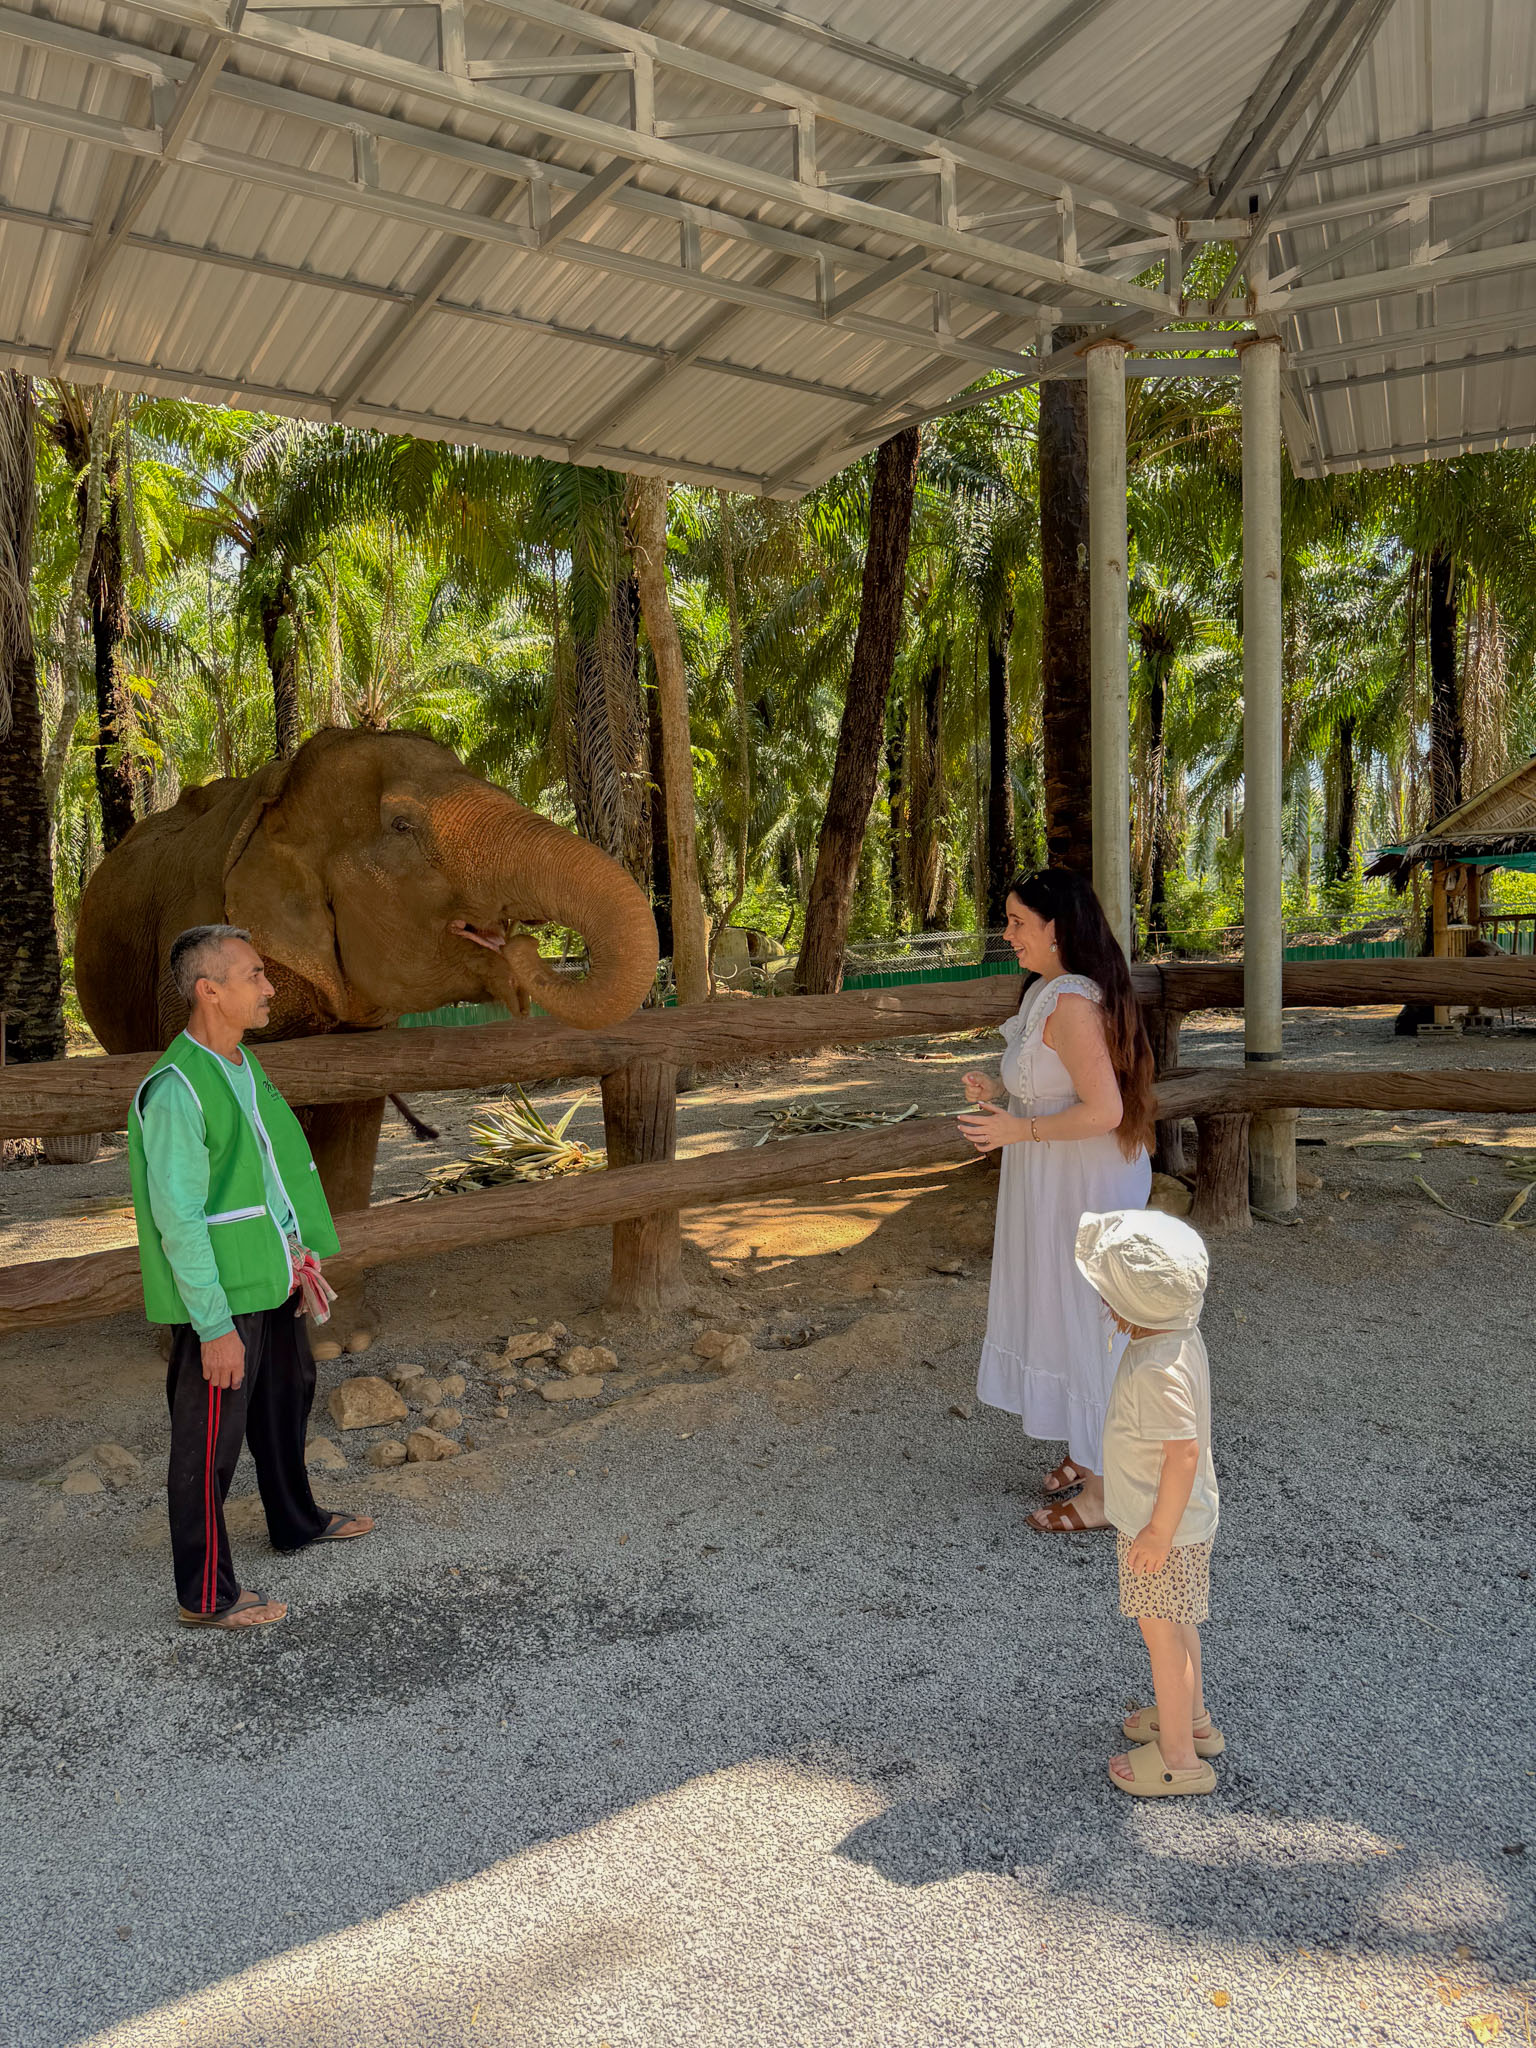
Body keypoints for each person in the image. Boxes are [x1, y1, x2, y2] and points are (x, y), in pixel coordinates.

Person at [126, 925, 373, 1630]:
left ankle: (296, 1520)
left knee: (286, 1402)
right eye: (256, 975)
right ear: (211, 990)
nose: (269, 988)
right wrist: (212, 1328)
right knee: (208, 1446)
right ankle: (205, 1595)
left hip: (272, 1278)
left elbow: (267, 1175)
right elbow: (180, 1220)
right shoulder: (175, 1090)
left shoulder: (239, 1066)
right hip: (223, 1300)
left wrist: (298, 1250)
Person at [957, 869, 1154, 1533]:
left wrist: (1019, 1129)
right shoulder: (1047, 992)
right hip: (1054, 1174)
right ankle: (1087, 1444)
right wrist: (1003, 1093)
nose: (1007, 933)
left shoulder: (1072, 1002)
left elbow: (1104, 1110)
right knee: (1065, 1311)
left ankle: (1105, 1495)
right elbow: (1052, 1084)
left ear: (1057, 928)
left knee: (1088, 1317)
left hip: (1085, 1182)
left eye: (1017, 922)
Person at [1074, 1207, 1221, 1798]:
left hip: (1164, 1527)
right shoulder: (1177, 1336)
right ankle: (1193, 1721)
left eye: (1110, 1292)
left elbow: (1182, 1453)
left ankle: (1181, 1761)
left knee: (1161, 1633)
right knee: (1179, 1625)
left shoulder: (1156, 1369)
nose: (1105, 1302)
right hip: (1179, 1522)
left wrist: (1157, 1532)